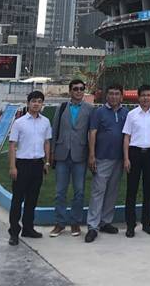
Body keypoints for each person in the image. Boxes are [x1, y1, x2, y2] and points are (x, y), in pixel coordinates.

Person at [50, 79, 94, 237]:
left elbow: (92, 132)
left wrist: (91, 154)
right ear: (70, 91)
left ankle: (75, 222)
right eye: (75, 89)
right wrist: (52, 153)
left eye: (81, 89)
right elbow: (55, 130)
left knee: (79, 191)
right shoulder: (62, 108)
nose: (79, 91)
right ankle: (59, 223)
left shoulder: (90, 109)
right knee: (60, 192)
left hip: (80, 155)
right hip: (62, 154)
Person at [85, 85, 129, 243]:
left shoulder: (126, 113)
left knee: (112, 191)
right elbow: (92, 133)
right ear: (106, 96)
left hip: (119, 158)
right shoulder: (99, 112)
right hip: (102, 157)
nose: (114, 96)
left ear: (121, 96)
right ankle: (93, 226)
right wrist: (92, 155)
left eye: (117, 94)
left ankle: (105, 222)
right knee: (98, 191)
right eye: (111, 93)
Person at [8, 90, 52, 246]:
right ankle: (14, 232)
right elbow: (12, 145)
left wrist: (47, 162)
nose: (36, 104)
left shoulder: (45, 122)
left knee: (32, 199)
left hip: (37, 164)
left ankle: (28, 228)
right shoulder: (19, 122)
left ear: (42, 104)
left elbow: (47, 142)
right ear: (28, 103)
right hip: (22, 164)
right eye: (33, 101)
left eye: (39, 101)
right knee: (17, 199)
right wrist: (12, 167)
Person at [123, 84, 150, 237]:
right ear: (138, 97)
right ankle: (130, 225)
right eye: (143, 95)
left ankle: (147, 223)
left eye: (148, 95)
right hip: (134, 153)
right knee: (131, 190)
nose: (146, 98)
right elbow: (126, 137)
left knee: (148, 189)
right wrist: (126, 158)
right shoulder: (131, 114)